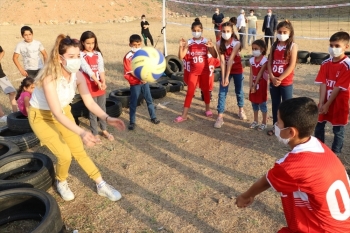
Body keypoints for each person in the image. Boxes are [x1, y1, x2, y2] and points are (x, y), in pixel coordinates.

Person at [28, 34, 125, 202]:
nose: (76, 60)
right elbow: (56, 113)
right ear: (60, 58)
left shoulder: (78, 76)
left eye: (78, 56)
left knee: (78, 151)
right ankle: (61, 181)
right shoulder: (49, 78)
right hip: (42, 117)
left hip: (63, 112)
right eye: (71, 57)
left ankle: (101, 184)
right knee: (65, 155)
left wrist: (107, 118)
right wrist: (82, 132)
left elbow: (89, 102)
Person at [236, 97, 350, 233]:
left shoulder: (293, 166)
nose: (276, 125)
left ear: (291, 132)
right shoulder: (319, 146)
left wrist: (245, 196)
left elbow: (267, 181)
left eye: (278, 122)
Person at [314, 31, 350, 154]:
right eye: (331, 45)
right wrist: (322, 103)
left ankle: (336, 154)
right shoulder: (325, 63)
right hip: (325, 102)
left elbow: (338, 87)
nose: (333, 48)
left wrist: (328, 104)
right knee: (319, 125)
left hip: (339, 103)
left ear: (346, 47)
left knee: (338, 130)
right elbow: (323, 84)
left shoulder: (347, 65)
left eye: (337, 46)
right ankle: (319, 150)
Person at [175, 18, 217, 123]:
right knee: (190, 92)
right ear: (191, 30)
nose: (196, 32)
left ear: (202, 30)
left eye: (198, 30)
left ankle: (207, 109)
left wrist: (212, 48)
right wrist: (181, 47)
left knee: (206, 91)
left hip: (205, 71)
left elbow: (215, 55)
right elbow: (181, 56)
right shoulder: (189, 42)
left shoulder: (206, 41)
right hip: (194, 72)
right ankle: (184, 115)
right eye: (194, 30)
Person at [79, 31, 114, 143]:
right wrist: (97, 82)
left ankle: (104, 130)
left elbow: (101, 68)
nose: (90, 46)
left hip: (100, 86)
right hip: (89, 87)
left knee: (102, 108)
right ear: (82, 42)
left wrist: (103, 81)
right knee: (93, 111)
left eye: (93, 43)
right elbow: (87, 69)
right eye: (88, 43)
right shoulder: (80, 55)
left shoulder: (98, 54)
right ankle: (94, 132)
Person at [267, 20, 297, 136]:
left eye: (285, 32)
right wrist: (272, 77)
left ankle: (288, 128)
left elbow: (292, 65)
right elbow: (269, 62)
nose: (282, 34)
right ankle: (276, 127)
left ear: (290, 33)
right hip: (273, 81)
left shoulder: (293, 46)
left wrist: (280, 78)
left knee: (287, 105)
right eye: (279, 32)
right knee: (275, 104)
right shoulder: (274, 45)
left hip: (286, 82)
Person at [123, 34, 160, 130]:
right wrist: (140, 78)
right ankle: (132, 122)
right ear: (130, 44)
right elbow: (130, 71)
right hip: (135, 83)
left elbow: (148, 66)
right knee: (133, 102)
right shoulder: (128, 57)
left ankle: (153, 117)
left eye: (138, 44)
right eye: (134, 45)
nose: (136, 47)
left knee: (149, 100)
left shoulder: (143, 53)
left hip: (145, 82)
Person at [214, 22, 246, 129]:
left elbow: (231, 60)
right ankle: (220, 116)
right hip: (225, 69)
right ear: (221, 32)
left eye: (228, 31)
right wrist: (224, 77)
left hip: (236, 69)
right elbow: (222, 61)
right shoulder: (218, 44)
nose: (226, 33)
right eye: (223, 31)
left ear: (232, 32)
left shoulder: (236, 43)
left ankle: (241, 110)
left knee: (239, 91)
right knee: (222, 91)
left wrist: (227, 76)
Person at [248, 39, 268, 131]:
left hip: (261, 84)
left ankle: (264, 122)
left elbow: (260, 74)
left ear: (262, 49)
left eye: (256, 48)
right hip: (253, 85)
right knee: (254, 103)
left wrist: (255, 85)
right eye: (253, 49)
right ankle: (255, 120)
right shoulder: (252, 60)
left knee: (262, 104)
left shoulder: (264, 60)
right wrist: (251, 85)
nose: (254, 50)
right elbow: (251, 73)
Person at [0, 45, 18, 113]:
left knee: (12, 92)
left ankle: (15, 112)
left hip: (0, 74)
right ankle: (1, 116)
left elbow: (2, 51)